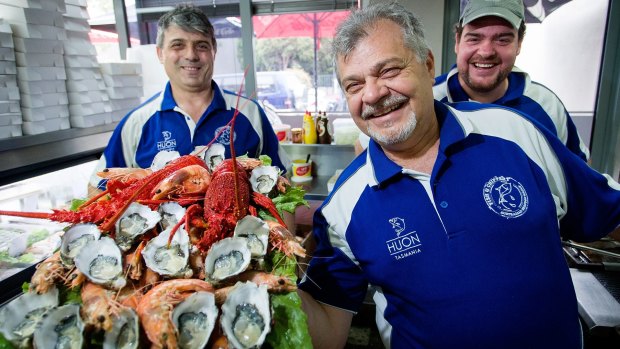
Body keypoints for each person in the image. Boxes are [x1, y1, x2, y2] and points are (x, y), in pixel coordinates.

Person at [297, 2, 620, 349]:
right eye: (354, 84)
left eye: (389, 70)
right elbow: (327, 335)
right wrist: (263, 273)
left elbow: (608, 213)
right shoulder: (342, 208)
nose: (373, 94)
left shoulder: (516, 133)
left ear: (428, 64)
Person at [356, 0, 590, 162]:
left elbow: (580, 173)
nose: (486, 51)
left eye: (503, 39)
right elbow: (363, 147)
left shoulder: (545, 104)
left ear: (519, 44)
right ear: (457, 40)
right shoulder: (428, 98)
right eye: (474, 38)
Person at [89, 4, 289, 191]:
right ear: (160, 53)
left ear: (213, 51)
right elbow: (96, 187)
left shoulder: (249, 112)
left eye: (201, 46)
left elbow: (284, 184)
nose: (191, 55)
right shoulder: (137, 122)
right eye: (178, 45)